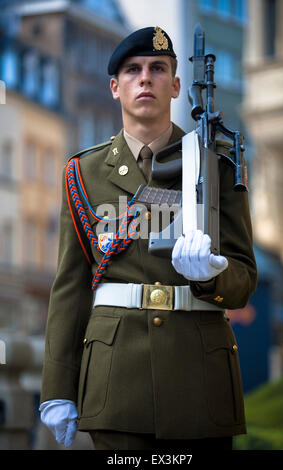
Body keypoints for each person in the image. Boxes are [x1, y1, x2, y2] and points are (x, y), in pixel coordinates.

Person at [39, 26, 257, 451]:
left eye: (158, 68)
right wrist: (57, 386)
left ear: (176, 85)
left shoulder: (217, 167)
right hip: (116, 377)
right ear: (114, 87)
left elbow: (245, 279)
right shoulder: (82, 174)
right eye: (133, 70)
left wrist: (214, 276)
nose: (145, 78)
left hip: (199, 379)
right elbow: (69, 287)